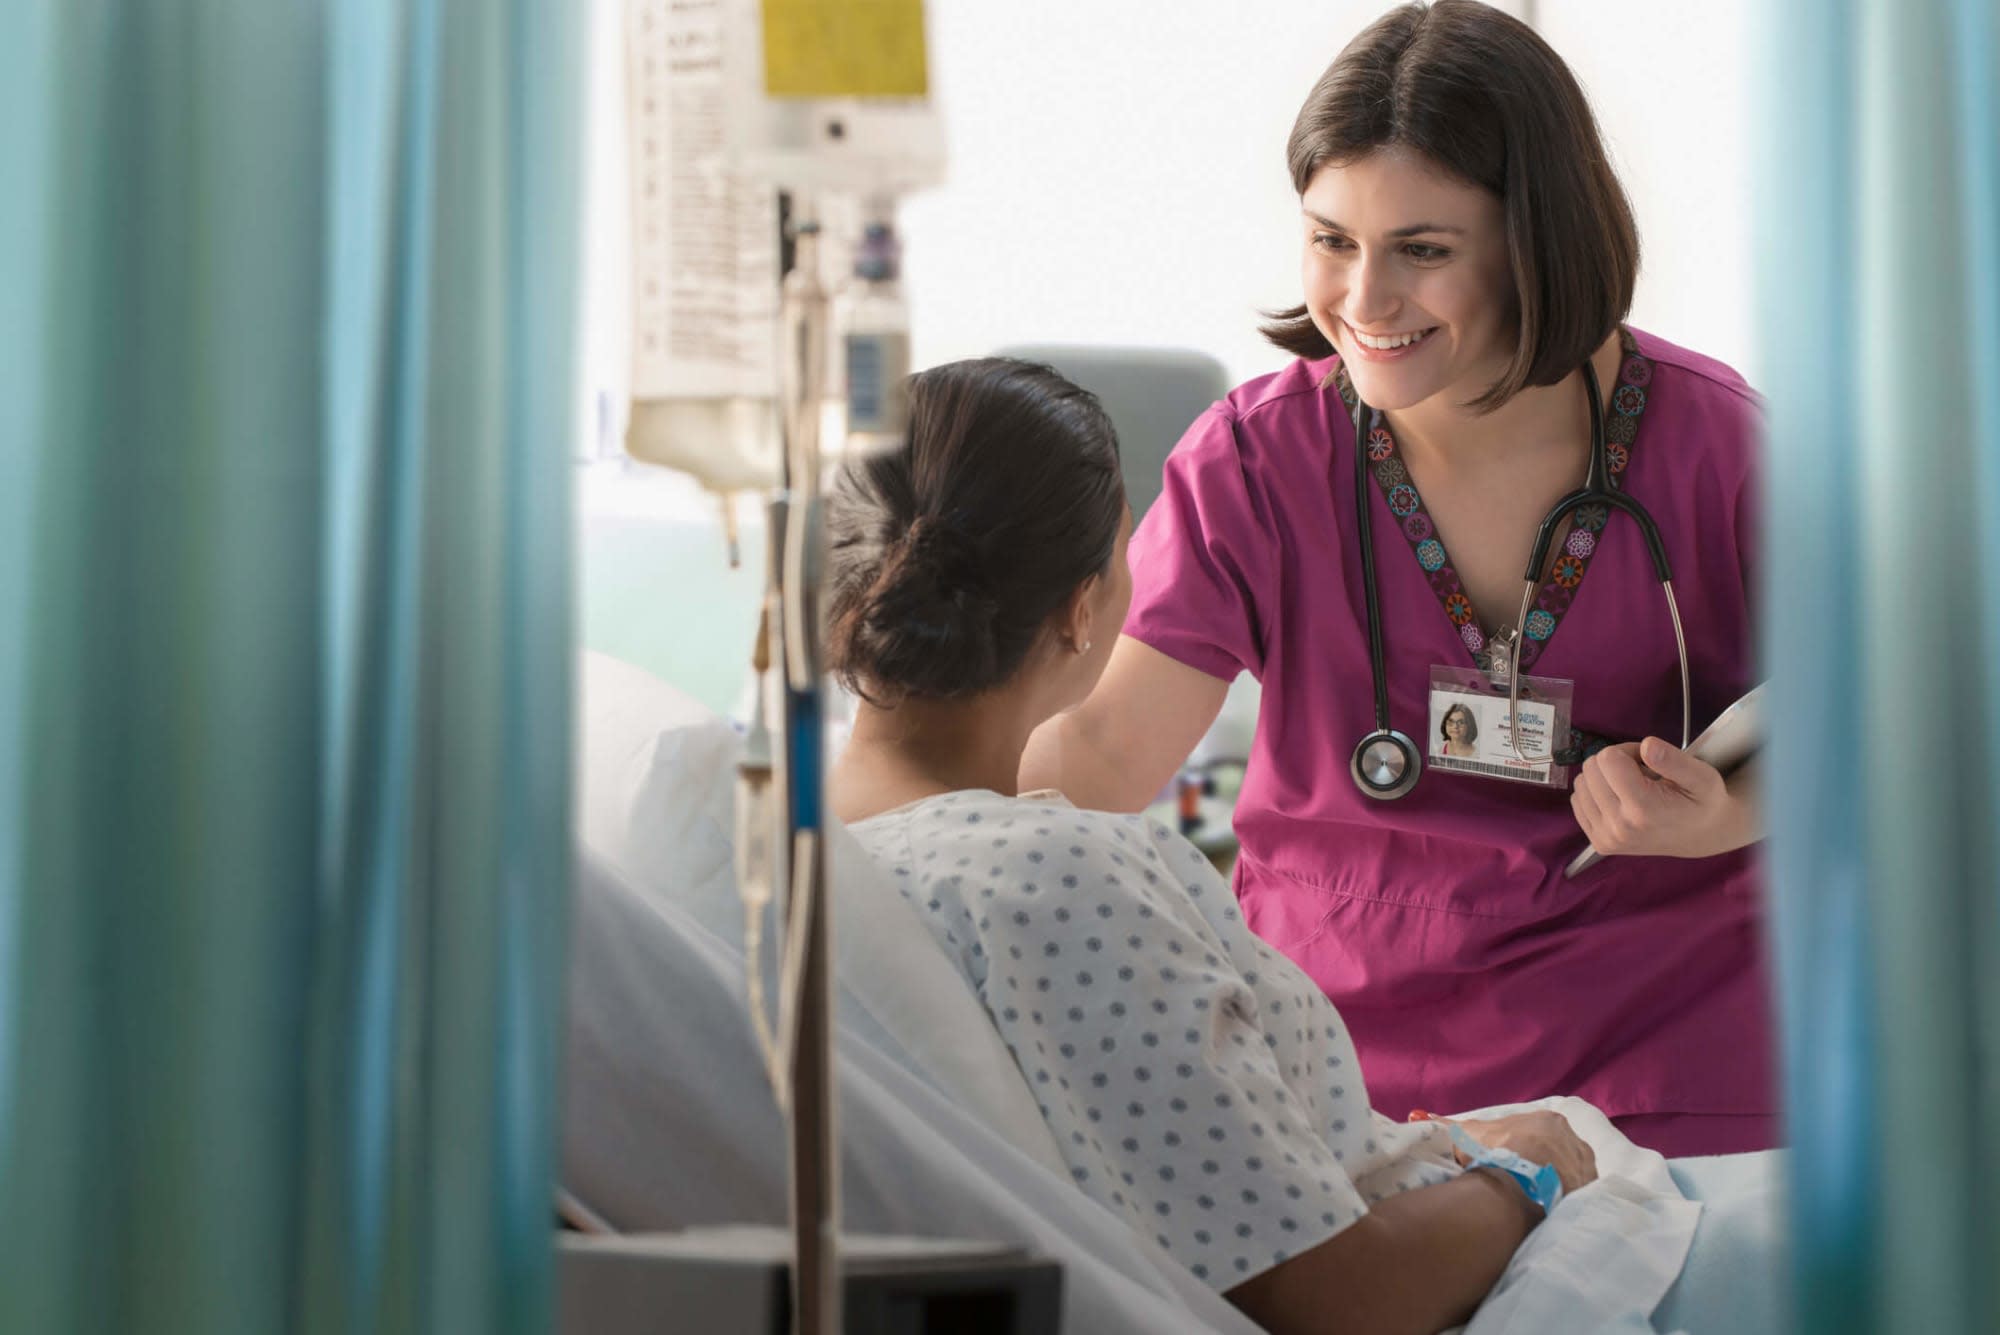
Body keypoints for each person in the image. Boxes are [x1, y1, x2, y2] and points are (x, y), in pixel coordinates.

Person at [1018, 0, 1773, 1157]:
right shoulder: (1256, 461)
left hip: (1657, 1060)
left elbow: (1879, 750)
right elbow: (1107, 755)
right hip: (1328, 1074)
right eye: (1331, 240)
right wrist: (885, 779)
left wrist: (1722, 815)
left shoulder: (1722, 452)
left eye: (1422, 250)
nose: (1362, 304)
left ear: (1540, 240)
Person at [827, 356, 1599, 1334]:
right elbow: (1339, 1293)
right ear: (1080, 608)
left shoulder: (804, 850)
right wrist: (1524, 1171)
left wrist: (1447, 1150)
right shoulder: (1060, 879)